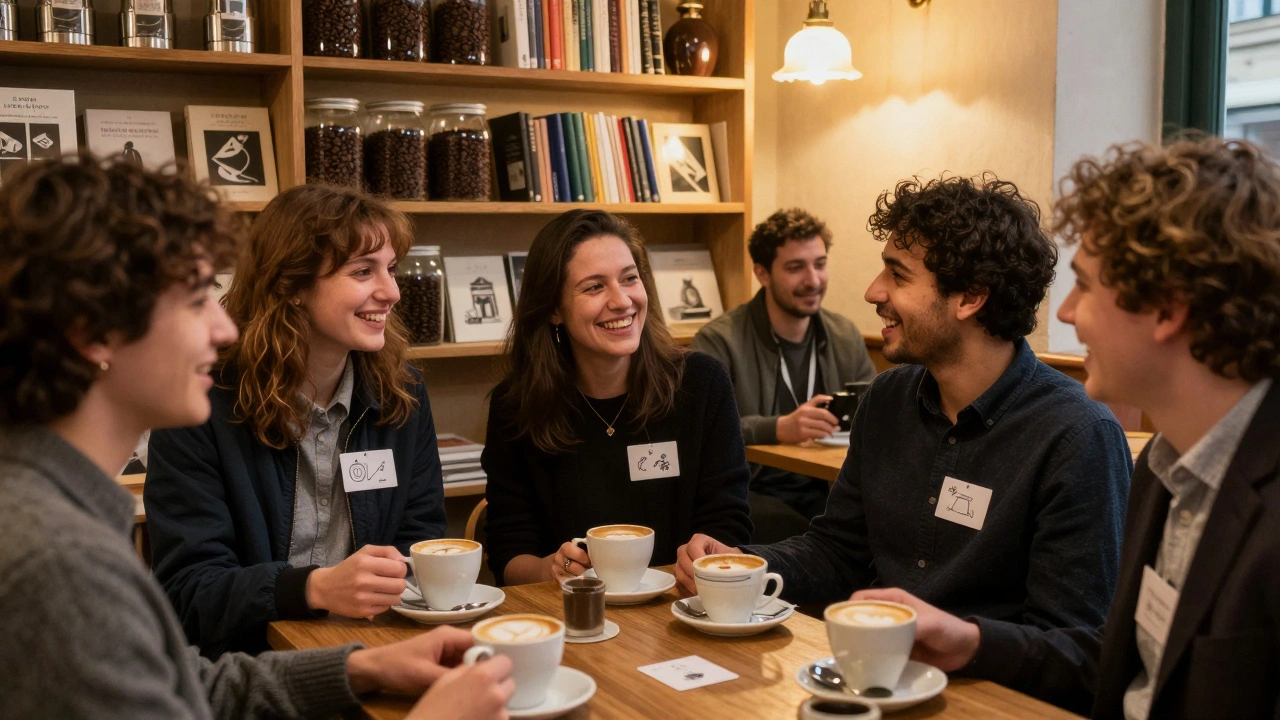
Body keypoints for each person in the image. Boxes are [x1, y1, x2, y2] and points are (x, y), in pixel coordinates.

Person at [0, 157, 512, 720]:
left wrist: (358, 669)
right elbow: (189, 602)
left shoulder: (61, 520)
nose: (222, 328)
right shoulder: (56, 560)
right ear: (95, 332)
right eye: (196, 300)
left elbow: (190, 686)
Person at [854, 138, 1280, 719]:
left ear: (1168, 309)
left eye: (1086, 284)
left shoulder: (1088, 436)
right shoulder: (1166, 465)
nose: (1065, 311)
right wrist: (976, 642)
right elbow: (1122, 666)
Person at [678, 175, 1133, 634]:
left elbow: (1077, 646)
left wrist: (968, 642)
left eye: (897, 274)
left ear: (971, 297)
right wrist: (743, 565)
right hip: (878, 669)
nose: (873, 292)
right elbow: (838, 551)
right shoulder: (888, 398)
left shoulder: (1075, 435)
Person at [145, 184, 447, 656]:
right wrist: (314, 589)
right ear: (293, 286)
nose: (391, 291)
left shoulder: (401, 394)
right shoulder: (201, 401)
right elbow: (187, 592)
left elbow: (422, 543)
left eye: (391, 269)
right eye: (363, 271)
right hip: (247, 669)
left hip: (379, 649)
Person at [482, 209, 753, 586]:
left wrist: (707, 557)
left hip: (682, 606)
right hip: (571, 614)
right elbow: (509, 554)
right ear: (554, 309)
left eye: (630, 279)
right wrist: (551, 568)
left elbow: (729, 526)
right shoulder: (517, 406)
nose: (622, 301)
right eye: (594, 287)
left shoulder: (701, 383)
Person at [692, 208, 877, 542]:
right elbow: (702, 433)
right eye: (796, 268)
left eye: (820, 264)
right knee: (801, 530)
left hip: (831, 487)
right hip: (751, 490)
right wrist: (778, 428)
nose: (813, 280)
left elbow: (875, 415)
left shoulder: (844, 335)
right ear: (762, 273)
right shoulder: (719, 340)